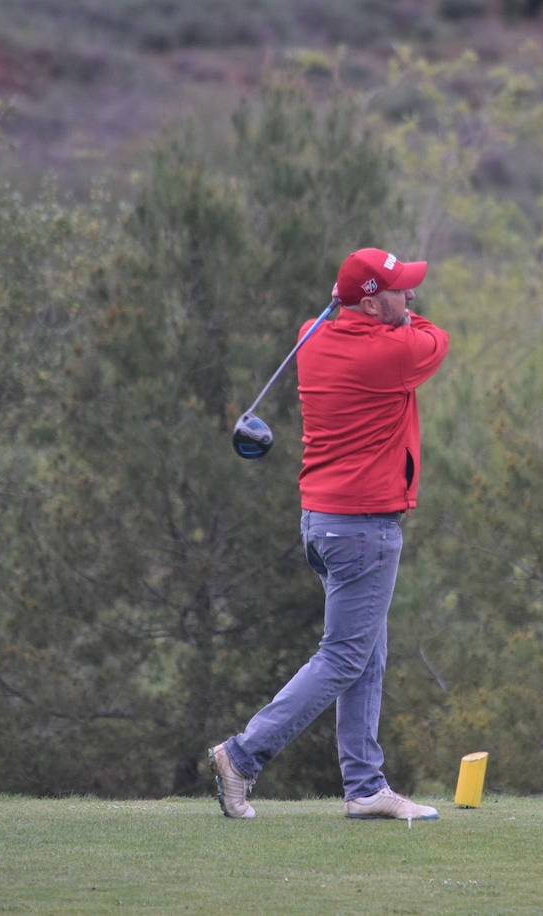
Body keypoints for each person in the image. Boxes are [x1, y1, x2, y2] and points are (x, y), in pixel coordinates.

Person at [209, 248, 450, 820]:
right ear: (369, 301)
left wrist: (360, 305)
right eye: (399, 290)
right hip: (364, 526)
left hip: (323, 522)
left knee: (366, 653)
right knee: (343, 656)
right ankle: (242, 756)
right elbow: (435, 339)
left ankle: (365, 788)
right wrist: (394, 316)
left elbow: (383, 317)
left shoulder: (312, 336)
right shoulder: (390, 353)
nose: (411, 297)